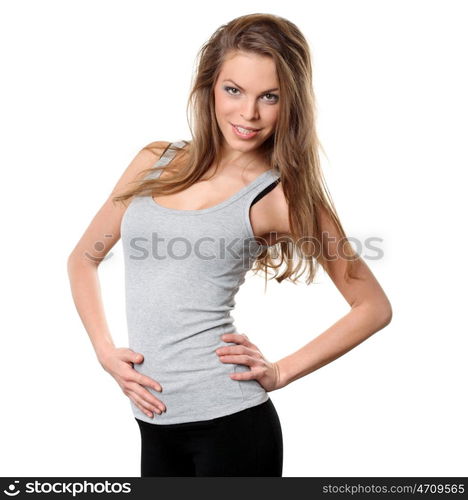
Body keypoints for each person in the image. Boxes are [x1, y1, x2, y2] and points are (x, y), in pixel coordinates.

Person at [67, 13, 392, 477]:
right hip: (152, 420)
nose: (249, 114)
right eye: (233, 90)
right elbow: (83, 258)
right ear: (210, 87)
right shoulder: (154, 161)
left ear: (291, 103)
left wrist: (280, 371)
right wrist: (104, 351)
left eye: (270, 97)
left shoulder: (280, 195)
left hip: (231, 425)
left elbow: (372, 306)